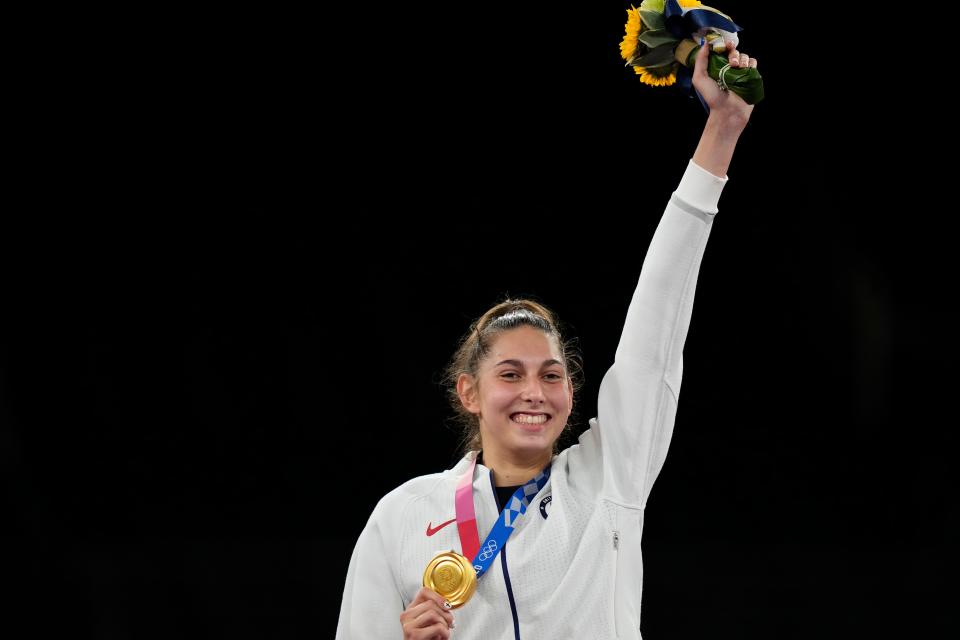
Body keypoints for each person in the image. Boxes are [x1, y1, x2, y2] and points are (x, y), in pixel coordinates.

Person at [336, 40, 758, 640]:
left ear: (570, 390)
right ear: (469, 393)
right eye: (510, 374)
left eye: (551, 374)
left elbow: (658, 321)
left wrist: (722, 131)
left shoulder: (610, 475)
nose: (534, 391)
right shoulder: (403, 517)